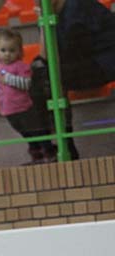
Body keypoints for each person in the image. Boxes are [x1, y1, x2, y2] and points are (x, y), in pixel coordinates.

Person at [35, 0, 115, 160]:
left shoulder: (77, 7)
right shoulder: (49, 15)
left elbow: (70, 52)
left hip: (104, 60)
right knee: (40, 76)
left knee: (49, 75)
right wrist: (44, 24)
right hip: (84, 62)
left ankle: (64, 148)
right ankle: (53, 147)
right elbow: (46, 57)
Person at [0, 29, 57, 164]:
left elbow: (26, 84)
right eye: (3, 50)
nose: (7, 54)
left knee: (36, 131)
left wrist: (8, 79)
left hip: (24, 108)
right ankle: (36, 155)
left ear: (19, 52)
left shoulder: (21, 66)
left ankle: (49, 152)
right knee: (25, 133)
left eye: (12, 50)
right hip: (8, 110)